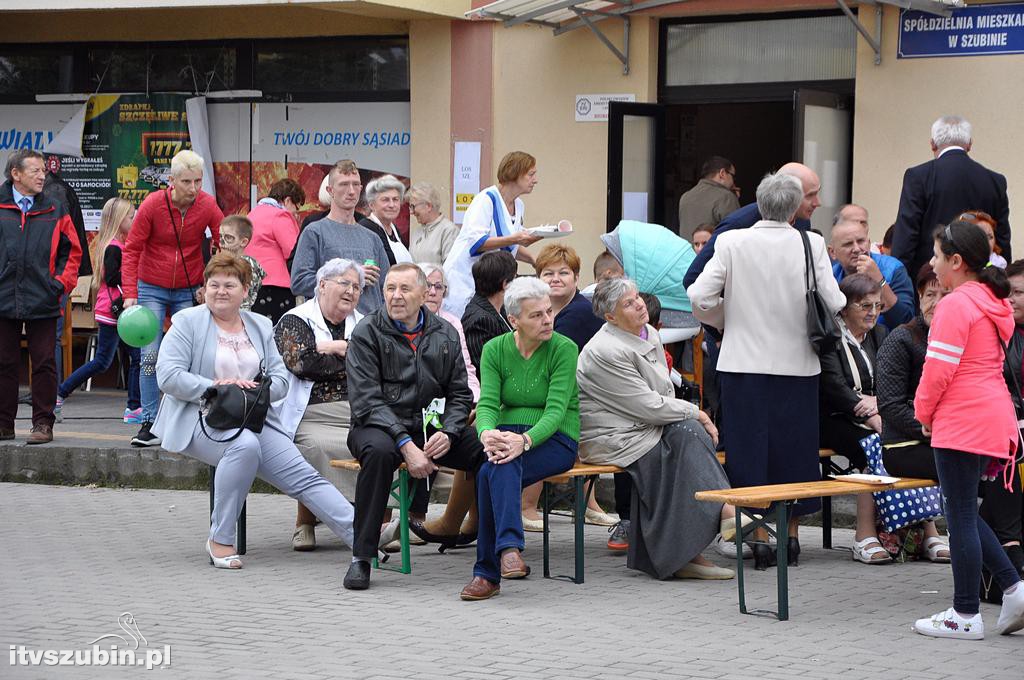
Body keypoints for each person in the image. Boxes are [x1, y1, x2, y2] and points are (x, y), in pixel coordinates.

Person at [152, 252, 356, 570]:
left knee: (303, 474)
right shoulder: (186, 323)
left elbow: (280, 380)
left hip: (249, 415)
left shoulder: (260, 324)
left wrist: (256, 389)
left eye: (230, 285)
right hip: (201, 416)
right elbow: (168, 376)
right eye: (213, 284)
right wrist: (216, 386)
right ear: (203, 289)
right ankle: (220, 539)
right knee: (243, 446)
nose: (221, 291)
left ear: (245, 290)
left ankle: (361, 533)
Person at [688, 171, 845, 570]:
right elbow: (834, 299)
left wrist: (726, 320)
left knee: (750, 450)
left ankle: (759, 536)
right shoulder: (811, 243)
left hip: (743, 362)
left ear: (760, 203)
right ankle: (790, 537)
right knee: (794, 451)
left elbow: (699, 295)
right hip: (798, 364)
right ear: (794, 208)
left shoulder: (733, 241)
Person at [578, 277, 746, 580]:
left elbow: (662, 394)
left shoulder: (650, 334)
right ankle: (724, 511)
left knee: (687, 435)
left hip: (645, 425)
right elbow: (647, 405)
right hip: (614, 436)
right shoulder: (604, 350)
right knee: (688, 434)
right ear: (610, 317)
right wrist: (698, 413)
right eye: (628, 303)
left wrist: (688, 416)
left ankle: (688, 552)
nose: (639, 304)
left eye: (637, 297)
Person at [912, 220, 1024, 639]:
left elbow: (938, 370)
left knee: (958, 513)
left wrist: (923, 413)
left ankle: (964, 614)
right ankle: (1014, 590)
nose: (932, 263)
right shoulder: (991, 302)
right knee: (962, 510)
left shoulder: (957, 305)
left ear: (956, 262)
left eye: (937, 256)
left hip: (962, 416)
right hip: (990, 415)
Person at [343, 263, 485, 591]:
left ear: (425, 294)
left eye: (405, 289)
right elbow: (366, 401)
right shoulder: (367, 331)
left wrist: (449, 433)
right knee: (378, 454)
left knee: (484, 449)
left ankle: (494, 548)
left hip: (430, 424)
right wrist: (406, 444)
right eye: (390, 288)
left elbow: (460, 394)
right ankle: (361, 556)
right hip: (375, 424)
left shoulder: (444, 331)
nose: (396, 296)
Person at [460, 278, 579, 601]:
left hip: (556, 438)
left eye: (549, 312)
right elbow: (487, 404)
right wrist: (486, 433)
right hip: (506, 434)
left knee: (491, 471)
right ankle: (507, 551)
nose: (547, 320)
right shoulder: (495, 349)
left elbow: (555, 412)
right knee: (493, 467)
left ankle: (489, 571)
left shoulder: (564, 348)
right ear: (513, 320)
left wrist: (523, 442)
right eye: (536, 315)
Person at [122, 149, 225, 448]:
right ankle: (151, 422)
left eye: (198, 181)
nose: (193, 189)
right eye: (186, 182)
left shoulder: (207, 204)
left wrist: (211, 282)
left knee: (192, 358)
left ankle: (188, 420)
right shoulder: (153, 204)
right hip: (151, 284)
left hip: (188, 286)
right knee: (150, 356)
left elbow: (223, 238)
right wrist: (130, 294)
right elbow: (132, 249)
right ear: (171, 180)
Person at [273, 258, 364, 552]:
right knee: (315, 446)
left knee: (379, 444)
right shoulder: (294, 319)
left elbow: (371, 365)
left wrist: (326, 349)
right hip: (310, 412)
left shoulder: (364, 323)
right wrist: (342, 353)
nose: (352, 291)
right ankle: (305, 522)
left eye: (357, 286)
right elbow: (301, 363)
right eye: (345, 283)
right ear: (322, 285)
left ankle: (377, 524)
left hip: (356, 409)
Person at [818, 273, 908, 564]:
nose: (872, 313)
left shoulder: (880, 336)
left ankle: (926, 532)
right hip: (836, 418)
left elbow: (895, 380)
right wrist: (868, 411)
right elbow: (832, 385)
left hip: (878, 412)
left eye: (877, 306)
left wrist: (880, 405)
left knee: (912, 444)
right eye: (864, 306)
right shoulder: (831, 338)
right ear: (844, 308)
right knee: (874, 446)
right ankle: (864, 536)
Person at [524, 243, 614, 529]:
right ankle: (588, 504)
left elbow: (547, 359)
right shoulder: (541, 308)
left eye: (564, 272)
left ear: (576, 278)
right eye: (547, 273)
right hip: (567, 392)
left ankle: (526, 505)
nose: (555, 278)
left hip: (585, 395)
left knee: (537, 420)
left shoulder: (579, 313)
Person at [0, 149, 82, 445]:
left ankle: (43, 424)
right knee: (4, 362)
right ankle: (4, 424)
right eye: (35, 170)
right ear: (15, 174)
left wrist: (59, 285)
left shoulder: (55, 207)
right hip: (3, 297)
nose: (42, 175)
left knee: (45, 361)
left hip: (44, 296)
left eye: (43, 170)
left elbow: (72, 251)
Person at [892, 116, 1011, 282]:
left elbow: (907, 233)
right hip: (979, 279)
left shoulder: (919, 177)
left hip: (930, 279)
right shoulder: (995, 181)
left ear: (933, 144)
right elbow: (1002, 238)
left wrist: (899, 282)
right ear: (969, 144)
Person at [55, 198, 141, 425]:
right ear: (118, 220)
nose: (134, 220)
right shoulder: (114, 247)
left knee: (134, 358)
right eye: (131, 217)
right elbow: (111, 278)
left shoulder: (115, 244)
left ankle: (134, 406)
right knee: (109, 360)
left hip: (117, 310)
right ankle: (61, 393)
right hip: (114, 311)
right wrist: (136, 274)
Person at [443, 151, 543, 318]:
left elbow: (508, 246)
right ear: (514, 173)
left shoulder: (519, 205)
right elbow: (477, 243)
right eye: (531, 174)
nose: (536, 180)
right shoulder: (485, 199)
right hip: (464, 281)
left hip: (489, 285)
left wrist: (535, 261)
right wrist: (517, 238)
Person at [290, 160, 390, 315]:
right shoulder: (314, 232)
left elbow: (388, 286)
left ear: (361, 189)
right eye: (343, 184)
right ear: (330, 190)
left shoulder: (373, 238)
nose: (351, 191)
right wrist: (351, 277)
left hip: (370, 329)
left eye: (356, 184)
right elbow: (299, 283)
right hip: (330, 329)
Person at [828, 211, 914, 329]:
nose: (857, 249)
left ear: (869, 243)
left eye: (861, 241)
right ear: (833, 252)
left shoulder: (894, 268)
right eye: (848, 244)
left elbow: (906, 321)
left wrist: (879, 280)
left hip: (886, 343)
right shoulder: (830, 276)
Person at [247, 178, 304, 324]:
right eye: (296, 208)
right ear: (287, 200)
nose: (296, 214)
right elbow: (292, 251)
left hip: (252, 283)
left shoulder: (253, 214)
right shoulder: (280, 215)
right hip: (276, 287)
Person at [460, 250, 516, 380]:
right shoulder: (480, 320)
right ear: (505, 284)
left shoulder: (501, 309)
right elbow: (486, 369)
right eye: (515, 277)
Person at [677, 156, 740, 240]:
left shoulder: (685, 196)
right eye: (733, 176)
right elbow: (736, 234)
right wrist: (734, 200)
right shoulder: (726, 197)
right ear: (722, 173)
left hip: (689, 252)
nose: (733, 182)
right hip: (712, 252)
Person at [359, 174, 412, 265]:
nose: (392, 205)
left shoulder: (394, 230)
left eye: (395, 199)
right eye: (385, 200)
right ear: (372, 205)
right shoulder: (365, 229)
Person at [217, 215, 265, 311]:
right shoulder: (225, 262)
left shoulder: (247, 266)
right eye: (220, 236)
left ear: (243, 242)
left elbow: (245, 302)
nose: (222, 242)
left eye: (228, 238)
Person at [408, 182, 459, 265]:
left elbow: (451, 269)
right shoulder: (416, 232)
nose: (411, 212)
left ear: (428, 206)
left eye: (413, 206)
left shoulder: (449, 231)